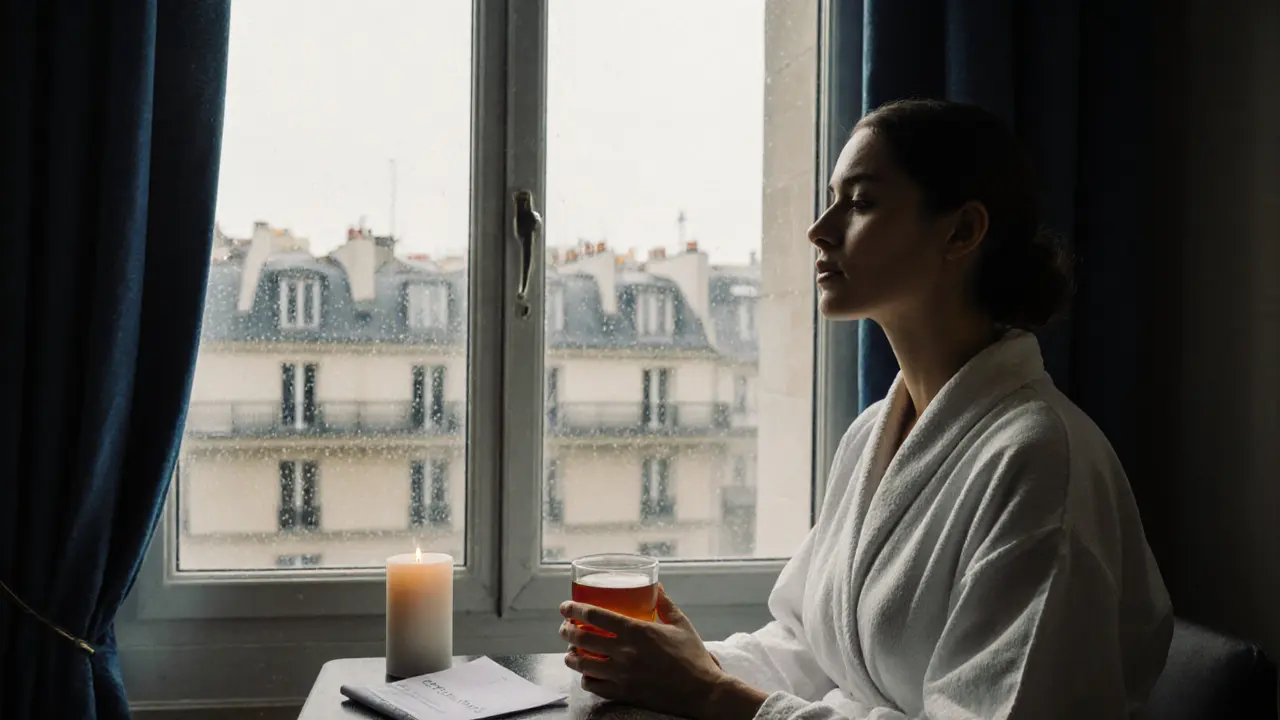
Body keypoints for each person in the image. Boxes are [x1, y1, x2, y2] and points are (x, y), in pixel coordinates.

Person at [557, 99, 1173, 719]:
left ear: (961, 231)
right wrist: (687, 662)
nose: (819, 229)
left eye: (860, 202)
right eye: (831, 198)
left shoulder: (1041, 462)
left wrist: (714, 694)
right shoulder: (870, 437)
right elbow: (811, 647)